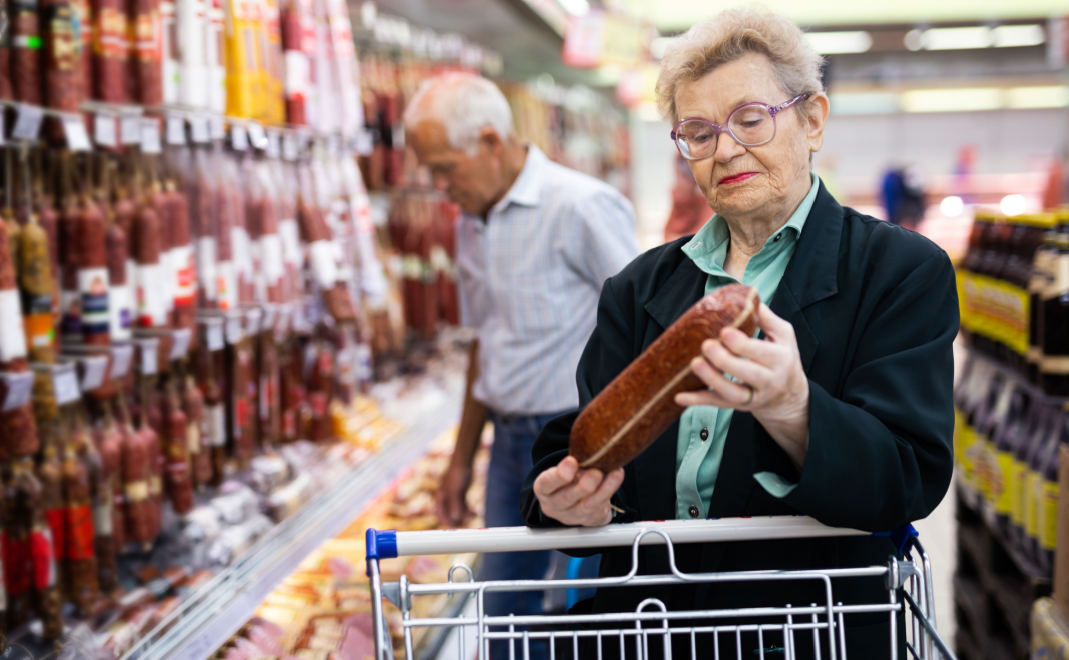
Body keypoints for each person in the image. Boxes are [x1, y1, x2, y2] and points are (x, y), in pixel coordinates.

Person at [520, 6, 958, 659]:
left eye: (750, 120)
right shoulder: (637, 289)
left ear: (812, 121)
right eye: (698, 132)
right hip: (651, 631)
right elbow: (588, 439)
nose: (725, 149)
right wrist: (571, 505)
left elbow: (907, 478)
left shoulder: (898, 272)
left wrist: (795, 409)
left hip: (814, 634)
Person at [404, 73, 640, 657]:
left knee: (573, 616)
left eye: (445, 168)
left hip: (576, 445)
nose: (438, 185)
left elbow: (645, 329)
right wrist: (462, 458)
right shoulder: (470, 222)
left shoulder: (580, 206)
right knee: (502, 609)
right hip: (508, 447)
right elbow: (484, 342)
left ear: (489, 140)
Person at [664, 154, 715, 242]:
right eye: (683, 164)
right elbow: (668, 236)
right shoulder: (686, 202)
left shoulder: (712, 204)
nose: (688, 170)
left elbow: (699, 239)